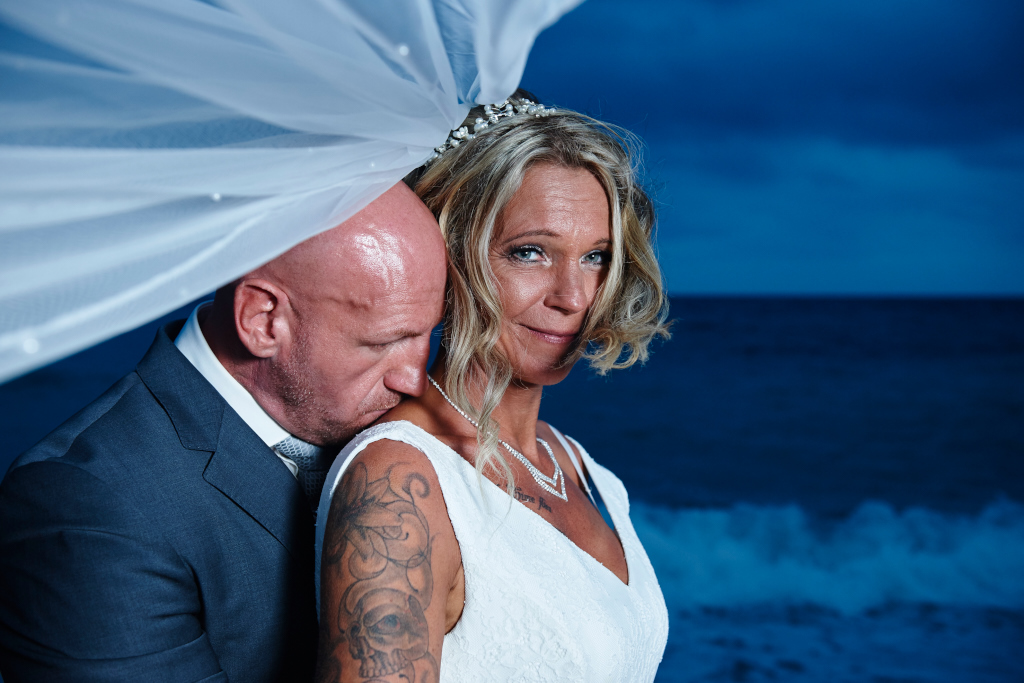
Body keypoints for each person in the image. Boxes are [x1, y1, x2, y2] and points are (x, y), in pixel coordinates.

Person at [0, 183, 447, 682]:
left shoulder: (403, 432)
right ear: (262, 319)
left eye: (429, 334)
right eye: (384, 343)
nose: (415, 381)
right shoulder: (85, 507)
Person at [315, 93, 671, 683]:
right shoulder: (398, 485)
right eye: (530, 253)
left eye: (596, 257)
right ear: (449, 252)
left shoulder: (583, 469)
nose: (573, 297)